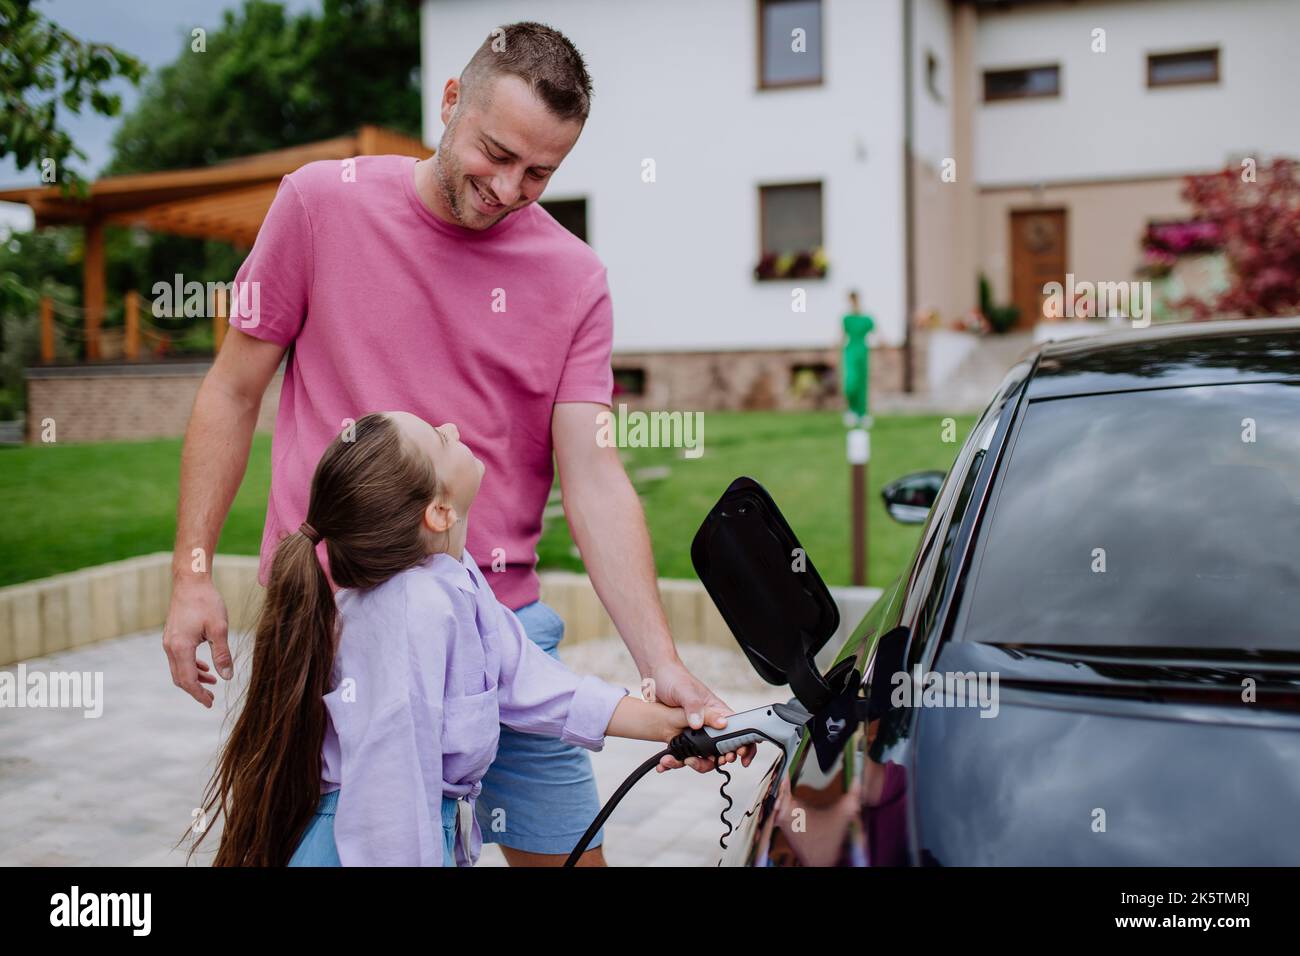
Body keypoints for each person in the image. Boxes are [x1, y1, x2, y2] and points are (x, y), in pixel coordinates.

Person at [163, 20, 751, 867]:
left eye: (540, 172)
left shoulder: (574, 280)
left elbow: (593, 475)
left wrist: (660, 665)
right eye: (495, 152)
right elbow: (231, 388)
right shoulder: (319, 205)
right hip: (329, 635)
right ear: (449, 103)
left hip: (501, 635)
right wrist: (190, 578)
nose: (509, 188)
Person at [187, 412, 711, 866]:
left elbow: (531, 683)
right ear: (438, 512)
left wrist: (671, 725)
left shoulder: (454, 582)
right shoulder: (411, 612)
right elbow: (390, 793)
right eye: (440, 439)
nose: (453, 427)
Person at [841, 290, 875, 427]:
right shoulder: (846, 319)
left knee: (862, 383)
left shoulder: (866, 319)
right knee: (850, 383)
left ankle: (862, 414)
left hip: (862, 351)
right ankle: (851, 410)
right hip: (850, 351)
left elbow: (877, 334)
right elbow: (841, 336)